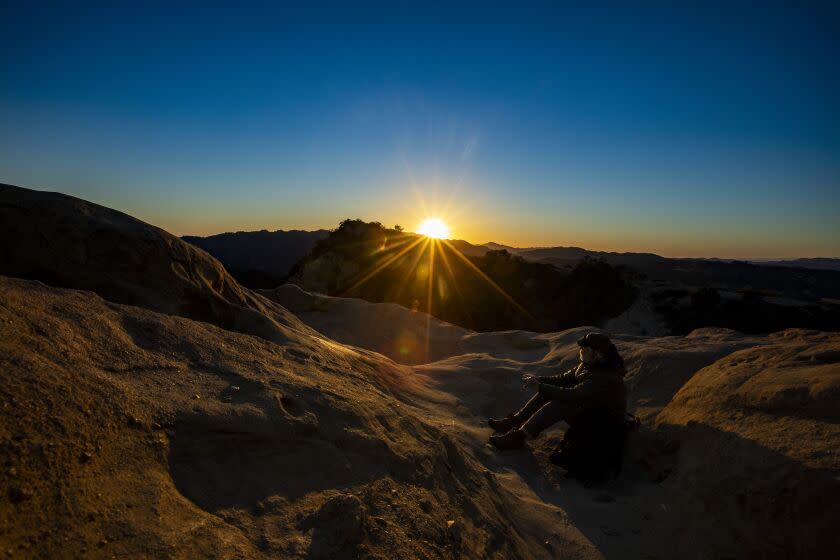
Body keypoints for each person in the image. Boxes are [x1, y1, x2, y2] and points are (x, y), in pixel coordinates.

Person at [488, 332, 627, 450]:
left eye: (585, 348)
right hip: (591, 410)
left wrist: (540, 386)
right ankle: (515, 422)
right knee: (547, 393)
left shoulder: (604, 376)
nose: (581, 350)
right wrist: (538, 380)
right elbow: (562, 379)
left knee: (560, 404)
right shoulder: (588, 365)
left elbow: (574, 395)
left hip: (603, 424)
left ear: (597, 354)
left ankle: (519, 437)